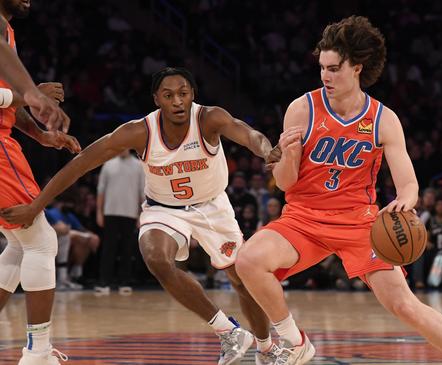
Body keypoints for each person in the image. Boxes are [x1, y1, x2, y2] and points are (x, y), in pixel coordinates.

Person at [1, 67, 282, 365]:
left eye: (183, 94)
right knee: (156, 259)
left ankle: (265, 349)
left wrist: (266, 151)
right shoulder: (139, 131)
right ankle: (227, 331)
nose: (177, 101)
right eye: (168, 95)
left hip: (212, 206)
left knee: (241, 281)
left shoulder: (209, 117)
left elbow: (247, 133)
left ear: (193, 96)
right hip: (163, 209)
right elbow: (81, 164)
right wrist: (37, 205)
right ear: (156, 99)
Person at [235, 16, 442, 365]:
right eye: (322, 68)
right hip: (303, 219)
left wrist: (404, 202)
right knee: (248, 261)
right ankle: (293, 340)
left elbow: (408, 183)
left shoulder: (382, 119)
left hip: (359, 224)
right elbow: (285, 184)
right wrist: (289, 153)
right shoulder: (302, 109)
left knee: (405, 305)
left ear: (357, 68)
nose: (325, 76)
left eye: (334, 68)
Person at [0, 1, 80, 364]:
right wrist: (30, 95)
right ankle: (38, 354)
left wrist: (40, 135)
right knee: (41, 241)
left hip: (6, 138)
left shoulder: (7, 29)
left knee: (19, 243)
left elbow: (6, 103)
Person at [95, 150, 145, 294]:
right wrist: (99, 212)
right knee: (108, 249)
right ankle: (104, 282)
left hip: (130, 213)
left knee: (127, 249)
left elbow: (142, 192)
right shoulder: (108, 164)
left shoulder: (138, 165)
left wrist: (141, 214)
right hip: (110, 212)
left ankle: (125, 282)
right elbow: (101, 191)